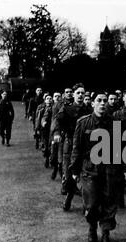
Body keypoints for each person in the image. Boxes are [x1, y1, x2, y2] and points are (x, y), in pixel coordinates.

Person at [69, 91, 117, 242]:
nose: (103, 103)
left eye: (105, 100)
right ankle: (91, 229)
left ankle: (105, 234)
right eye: (99, 100)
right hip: (89, 169)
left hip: (109, 168)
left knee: (109, 201)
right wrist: (74, 170)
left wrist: (123, 169)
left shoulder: (113, 122)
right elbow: (76, 148)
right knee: (91, 202)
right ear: (93, 104)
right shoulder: (83, 123)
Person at [52, 83, 90, 211]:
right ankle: (68, 197)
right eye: (78, 93)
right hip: (70, 145)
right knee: (69, 174)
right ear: (73, 95)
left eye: (82, 93)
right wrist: (56, 133)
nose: (80, 95)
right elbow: (57, 121)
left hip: (86, 147)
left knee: (86, 175)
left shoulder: (89, 110)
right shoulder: (67, 109)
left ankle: (86, 204)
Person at [39, 94, 54, 168]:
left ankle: (50, 159)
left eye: (50, 98)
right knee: (46, 145)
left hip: (53, 130)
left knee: (52, 146)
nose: (49, 99)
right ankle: (47, 159)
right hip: (45, 130)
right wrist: (38, 128)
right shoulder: (42, 110)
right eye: (47, 98)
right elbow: (38, 119)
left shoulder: (55, 109)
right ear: (45, 100)